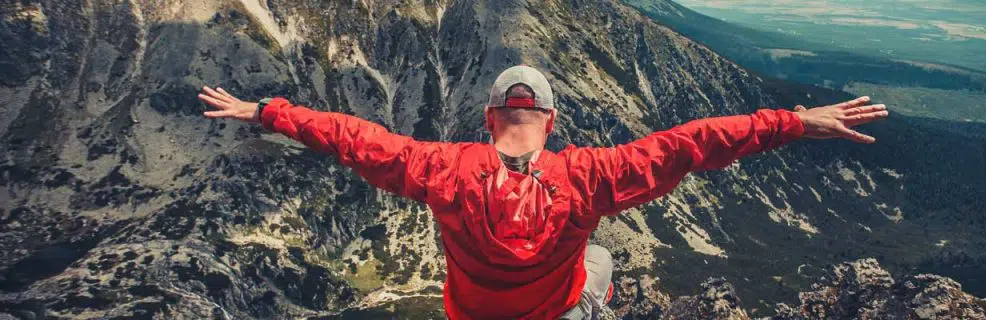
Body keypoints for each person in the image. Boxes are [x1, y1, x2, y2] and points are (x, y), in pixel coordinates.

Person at [198, 65, 887, 319]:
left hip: (471, 313)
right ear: (552, 122)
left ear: (490, 118)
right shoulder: (586, 176)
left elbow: (352, 136)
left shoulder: (445, 168)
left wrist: (266, 112)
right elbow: (690, 143)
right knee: (604, 262)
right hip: (553, 308)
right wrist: (793, 122)